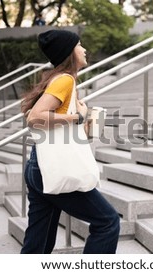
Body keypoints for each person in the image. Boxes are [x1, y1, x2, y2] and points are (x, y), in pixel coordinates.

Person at [20, 30, 120, 254]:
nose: (84, 49)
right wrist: (78, 117)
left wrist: (85, 122)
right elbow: (35, 118)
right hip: (53, 168)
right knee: (108, 222)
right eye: (79, 45)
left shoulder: (61, 80)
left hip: (40, 166)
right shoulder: (64, 80)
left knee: (39, 243)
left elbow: (62, 126)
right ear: (69, 52)